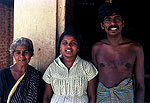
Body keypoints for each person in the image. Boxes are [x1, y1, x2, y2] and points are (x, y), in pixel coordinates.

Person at [92, 2, 145, 103]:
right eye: (108, 20)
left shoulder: (135, 48)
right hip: (102, 98)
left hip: (126, 98)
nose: (113, 23)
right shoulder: (97, 48)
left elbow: (140, 85)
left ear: (123, 23)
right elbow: (93, 82)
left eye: (117, 18)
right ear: (102, 26)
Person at [42, 30, 98, 103]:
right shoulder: (52, 68)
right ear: (60, 47)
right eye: (65, 43)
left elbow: (92, 97)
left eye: (73, 43)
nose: (68, 46)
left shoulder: (87, 67)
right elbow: (47, 96)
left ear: (78, 47)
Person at [0, 37, 44, 103]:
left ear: (31, 54)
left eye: (25, 52)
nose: (22, 56)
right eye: (18, 52)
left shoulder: (36, 75)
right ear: (13, 54)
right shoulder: (3, 74)